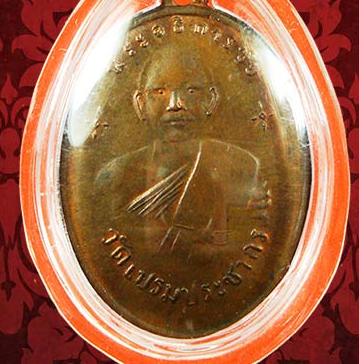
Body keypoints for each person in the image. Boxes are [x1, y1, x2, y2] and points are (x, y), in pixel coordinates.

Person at [94, 49, 260, 261]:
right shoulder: (115, 177)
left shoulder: (240, 166)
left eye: (191, 91)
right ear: (141, 104)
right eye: (160, 92)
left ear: (211, 100)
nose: (175, 104)